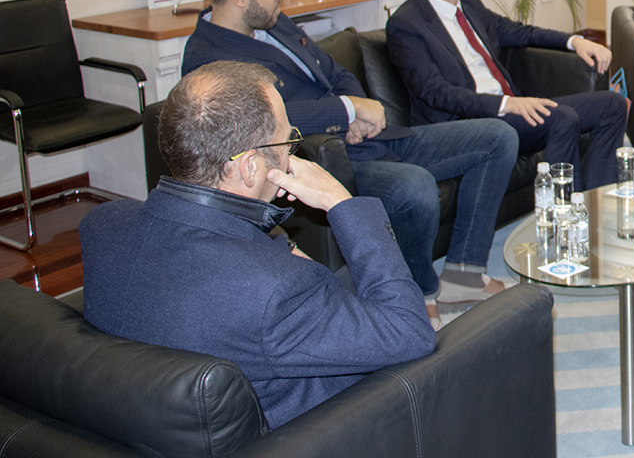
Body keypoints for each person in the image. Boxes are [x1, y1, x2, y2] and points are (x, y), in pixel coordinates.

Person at [81, 61, 436, 429]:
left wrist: (276, 248)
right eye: (286, 141)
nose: (291, 153)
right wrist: (340, 201)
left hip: (147, 423)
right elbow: (411, 332)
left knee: (349, 276)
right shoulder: (275, 290)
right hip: (319, 430)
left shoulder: (102, 225)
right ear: (249, 167)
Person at [182, 0, 519, 326]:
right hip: (325, 158)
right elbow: (262, 121)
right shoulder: (208, 57)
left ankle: (464, 274)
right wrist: (346, 111)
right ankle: (419, 293)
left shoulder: (275, 23)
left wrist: (358, 108)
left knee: (498, 136)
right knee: (415, 187)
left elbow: (334, 71)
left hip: (372, 138)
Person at [386, 0, 628, 190]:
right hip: (469, 123)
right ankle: (564, 208)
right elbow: (435, 92)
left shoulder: (470, 5)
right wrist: (506, 104)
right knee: (562, 118)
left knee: (612, 104)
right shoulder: (407, 24)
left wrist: (575, 41)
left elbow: (520, 33)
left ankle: (596, 197)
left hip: (512, 109)